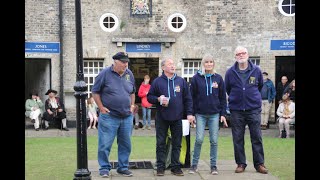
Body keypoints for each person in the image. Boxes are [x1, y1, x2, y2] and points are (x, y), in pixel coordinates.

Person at [147, 58, 194, 176]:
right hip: (162, 117)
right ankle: (160, 167)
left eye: (173, 64)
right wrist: (158, 99)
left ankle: (175, 167)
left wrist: (189, 113)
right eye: (170, 64)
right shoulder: (157, 81)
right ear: (163, 68)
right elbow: (149, 97)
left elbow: (188, 99)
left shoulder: (181, 81)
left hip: (178, 117)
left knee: (177, 143)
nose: (173, 66)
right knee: (160, 143)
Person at [224, 46, 268, 174]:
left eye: (243, 53)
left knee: (256, 137)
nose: (241, 55)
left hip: (253, 109)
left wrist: (250, 97)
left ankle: (259, 164)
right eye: (238, 54)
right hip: (236, 110)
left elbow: (259, 86)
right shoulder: (230, 72)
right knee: (237, 138)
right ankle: (241, 163)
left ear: (248, 55)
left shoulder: (256, 70)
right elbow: (228, 89)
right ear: (235, 56)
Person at [92, 52, 136, 178]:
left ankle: (123, 168)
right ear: (115, 62)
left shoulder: (129, 74)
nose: (125, 64)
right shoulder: (104, 74)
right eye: (123, 62)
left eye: (127, 62)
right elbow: (95, 92)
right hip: (109, 116)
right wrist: (101, 107)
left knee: (125, 144)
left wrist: (132, 105)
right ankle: (104, 168)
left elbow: (132, 92)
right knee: (105, 144)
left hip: (127, 116)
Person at [188, 54, 228, 175]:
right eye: (207, 62)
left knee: (214, 141)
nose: (209, 64)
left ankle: (213, 166)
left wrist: (223, 113)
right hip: (200, 114)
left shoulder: (218, 78)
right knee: (199, 139)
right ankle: (194, 165)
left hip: (215, 114)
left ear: (213, 64)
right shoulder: (196, 78)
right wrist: (191, 113)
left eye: (211, 62)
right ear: (203, 64)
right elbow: (191, 97)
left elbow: (222, 98)